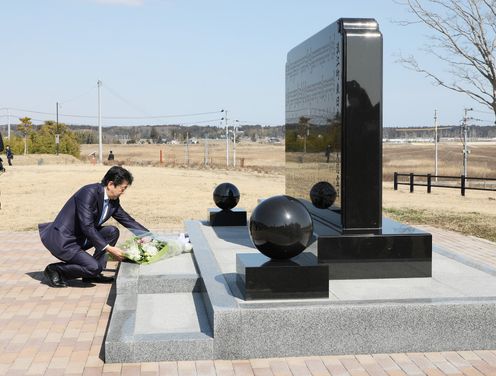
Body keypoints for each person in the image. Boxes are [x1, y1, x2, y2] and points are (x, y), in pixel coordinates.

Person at [39, 166, 149, 288]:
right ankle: (56, 270)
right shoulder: (88, 192)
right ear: (111, 184)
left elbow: (127, 220)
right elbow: (87, 226)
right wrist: (109, 248)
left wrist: (148, 236)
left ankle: (91, 274)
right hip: (63, 240)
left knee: (112, 231)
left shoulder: (113, 200)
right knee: (93, 267)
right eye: (122, 189)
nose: (123, 192)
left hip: (79, 238)